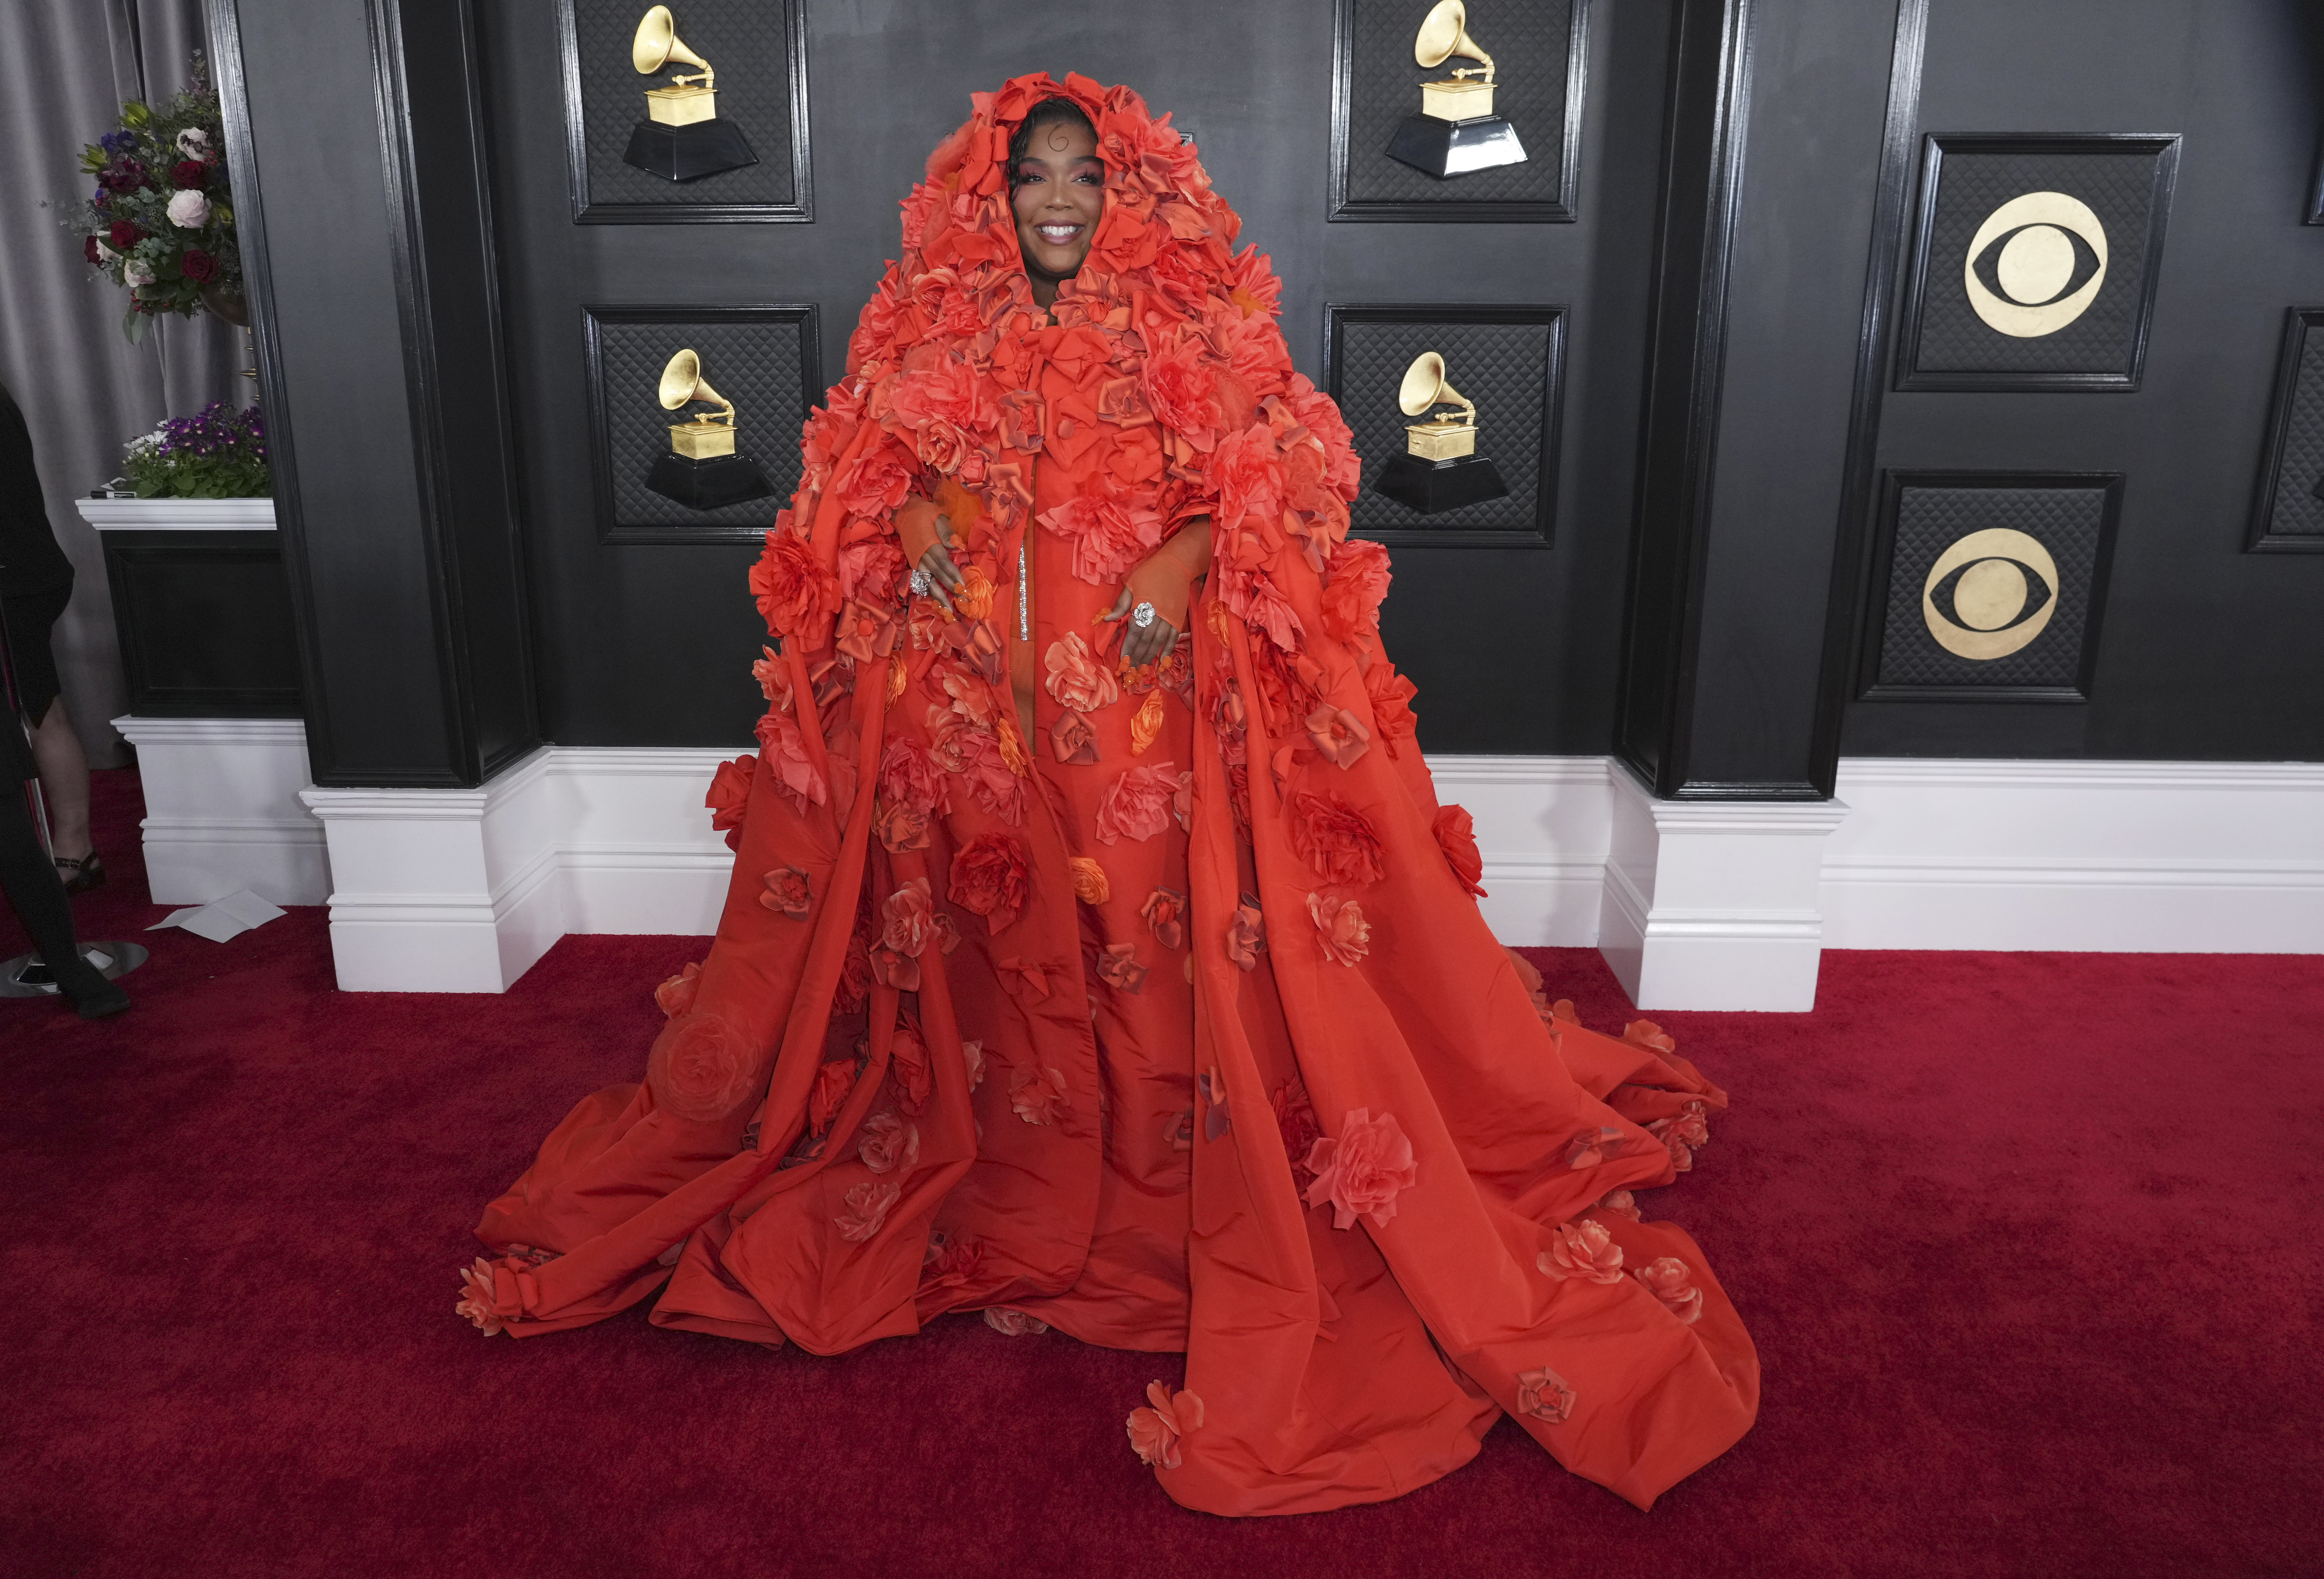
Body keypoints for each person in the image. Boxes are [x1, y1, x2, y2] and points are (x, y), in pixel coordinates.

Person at [462, 75, 1756, 1516]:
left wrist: (1181, 558)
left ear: (1130, 191)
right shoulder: (933, 310)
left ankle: (1154, 1165)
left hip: (1149, 710)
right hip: (975, 705)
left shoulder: (1196, 314)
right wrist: (911, 510)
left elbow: (1280, 472)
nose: (1058, 200)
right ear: (989, 194)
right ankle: (1017, 1149)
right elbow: (865, 467)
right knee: (1000, 923)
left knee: (1155, 936)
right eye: (1031, 177)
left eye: (1084, 175)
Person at [0, 383, 103, 894]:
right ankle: (72, 846)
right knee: (40, 707)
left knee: (39, 710)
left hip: (13, 580)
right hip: (28, 571)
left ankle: (74, 847)